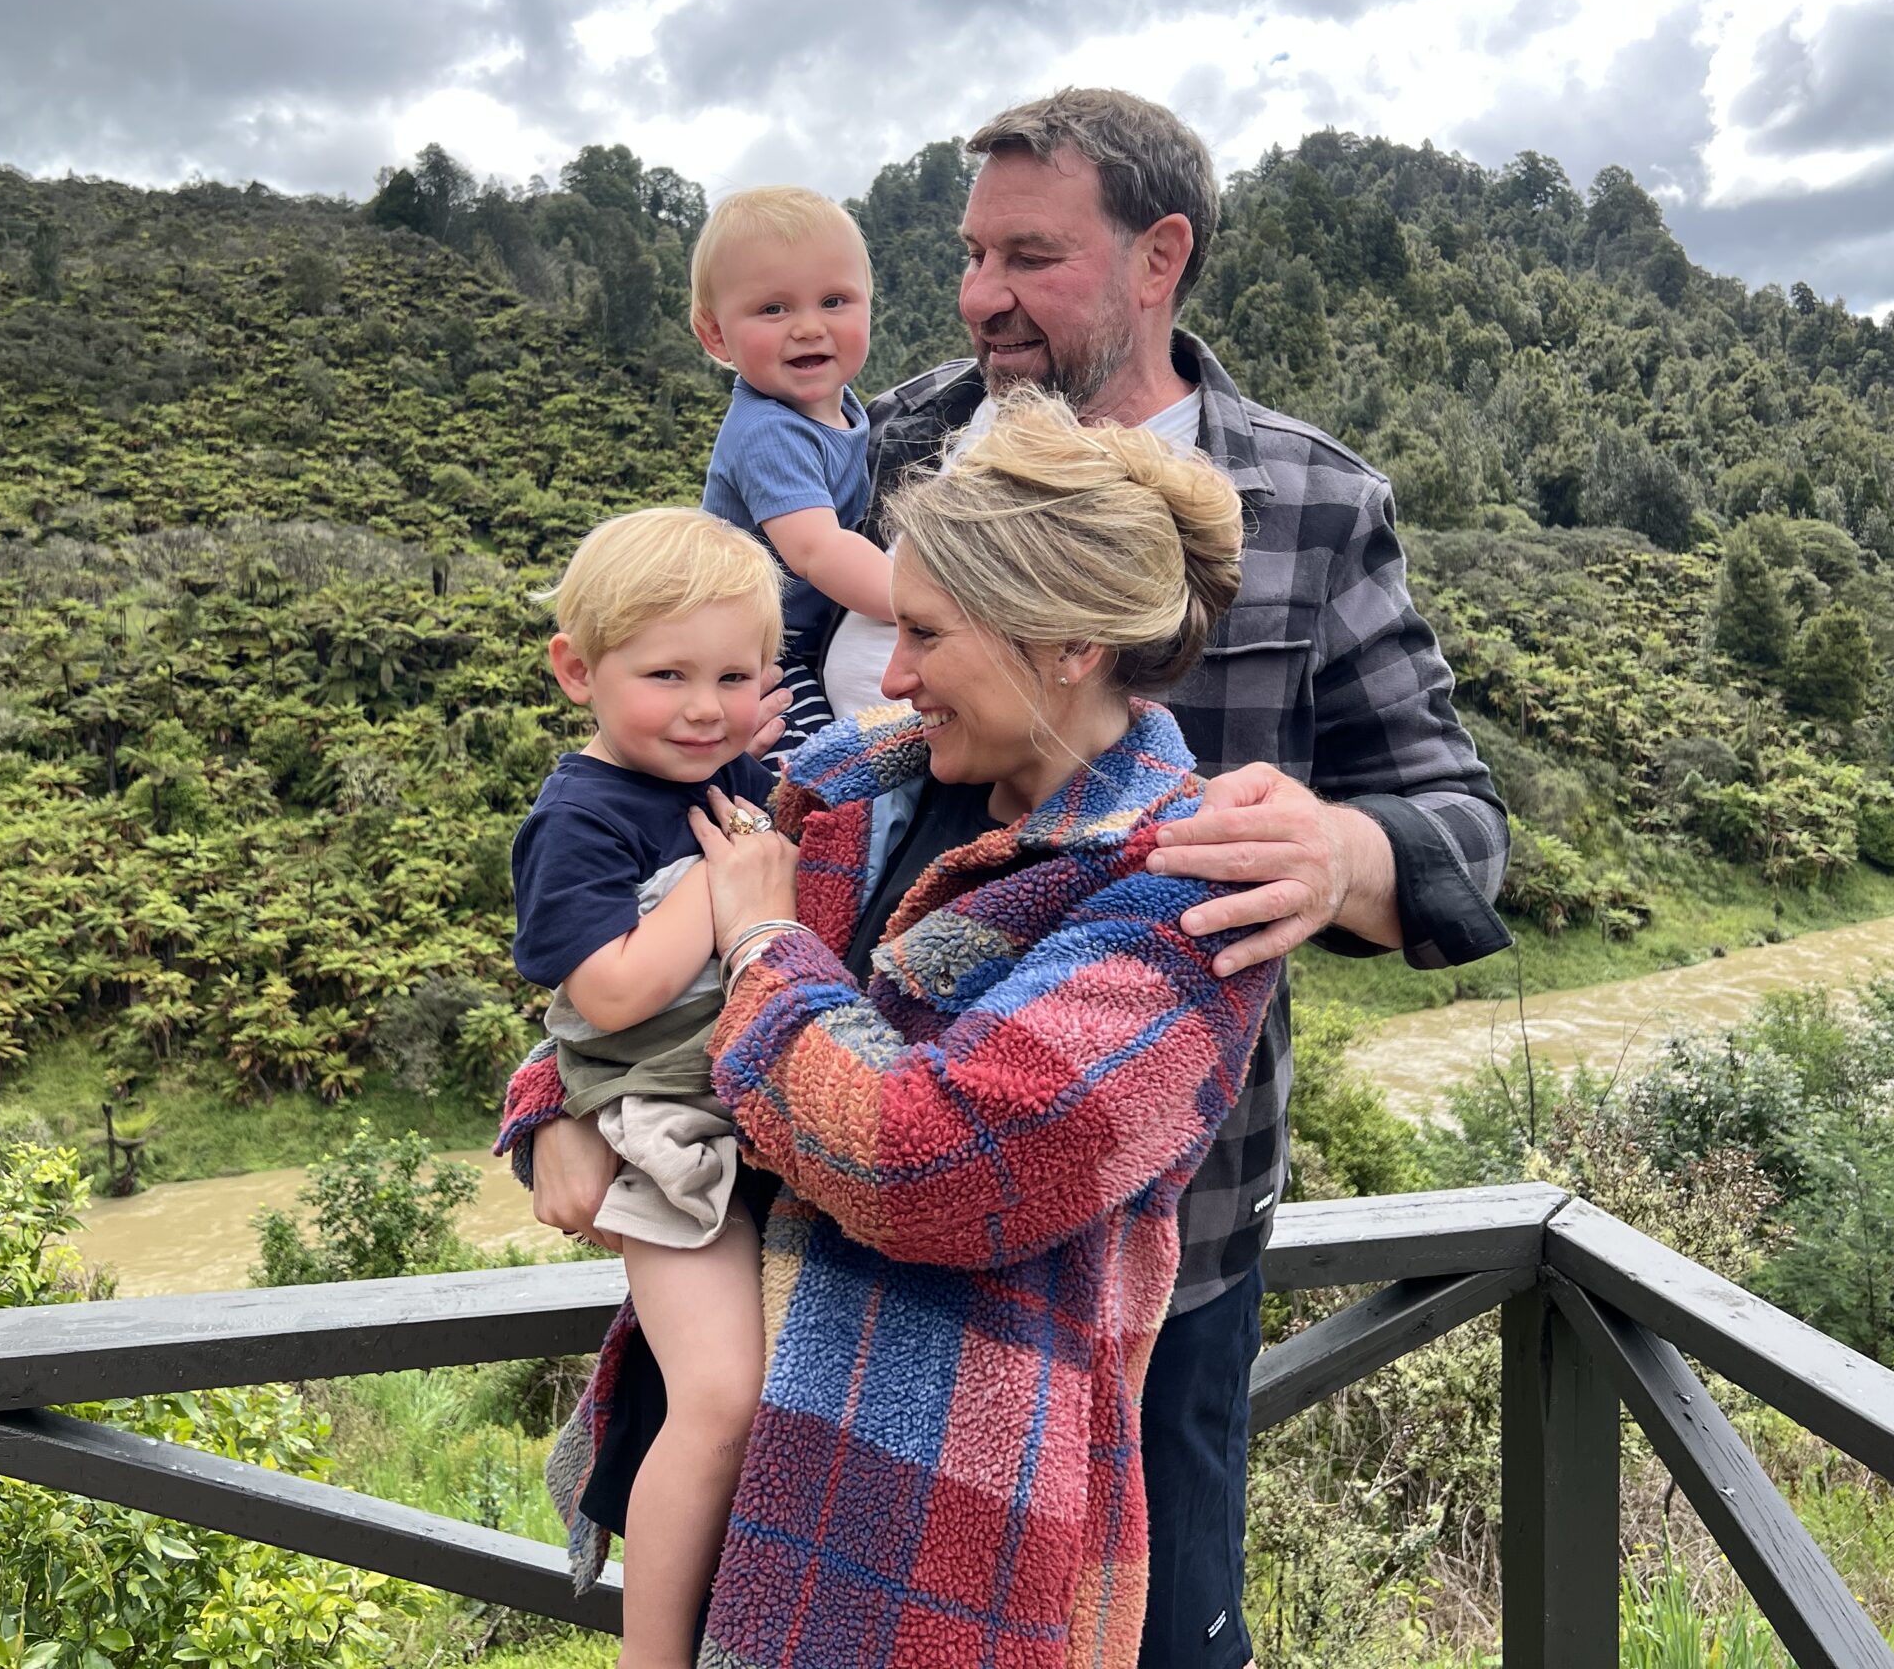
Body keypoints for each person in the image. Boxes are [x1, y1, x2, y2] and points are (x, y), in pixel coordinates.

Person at [528, 88, 1511, 1665]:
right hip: (778, 1196)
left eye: (1028, 255)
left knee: (1122, 1615)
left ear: (1156, 258)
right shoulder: (880, 438)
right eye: (968, 253)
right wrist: (568, 1095)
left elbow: (1462, 825)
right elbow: (710, 782)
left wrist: (1338, 854)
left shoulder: (1312, 504)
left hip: (1135, 1215)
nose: (977, 294)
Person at [502, 391, 1284, 1666]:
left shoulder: (1179, 893)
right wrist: (553, 1111)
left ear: (1067, 642)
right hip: (727, 1460)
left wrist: (766, 947)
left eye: (924, 631)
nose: (896, 672)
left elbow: (930, 1163)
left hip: (920, 1528)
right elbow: (627, 975)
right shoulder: (861, 776)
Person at [510, 506, 782, 1667]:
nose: (704, 708)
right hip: (662, 1125)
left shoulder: (745, 774)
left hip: (770, 1102)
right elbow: (609, 997)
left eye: (734, 675)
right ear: (578, 670)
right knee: (718, 1398)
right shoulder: (576, 818)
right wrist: (723, 887)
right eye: (665, 674)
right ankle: (654, 1653)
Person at [693, 185, 893, 748]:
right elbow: (818, 550)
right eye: (773, 309)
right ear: (716, 334)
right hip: (756, 649)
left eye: (834, 302)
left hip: (806, 633)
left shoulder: (850, 405)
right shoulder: (768, 432)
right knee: (809, 761)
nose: (808, 327)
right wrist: (924, 600)